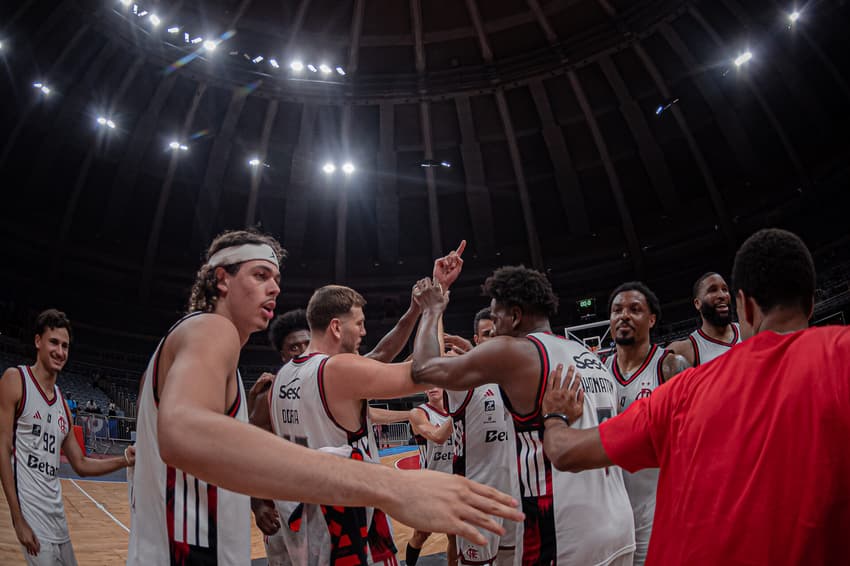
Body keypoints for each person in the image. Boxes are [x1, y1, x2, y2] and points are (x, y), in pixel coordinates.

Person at [126, 230, 521, 565]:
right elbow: (427, 370)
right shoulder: (214, 330)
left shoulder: (278, 378)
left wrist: (257, 501)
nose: (275, 287)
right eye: (260, 275)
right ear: (222, 279)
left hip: (289, 531)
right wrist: (390, 484)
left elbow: (248, 440)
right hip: (320, 529)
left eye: (276, 278)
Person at [540, 228, 849, 565]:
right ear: (812, 302)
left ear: (743, 306)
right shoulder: (839, 356)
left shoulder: (680, 383)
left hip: (654, 516)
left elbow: (565, 452)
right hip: (623, 506)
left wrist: (554, 417)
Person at [412, 266, 635, 566]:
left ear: (515, 316)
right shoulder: (587, 354)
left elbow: (423, 370)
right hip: (619, 524)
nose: (495, 330)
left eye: (497, 317)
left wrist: (432, 309)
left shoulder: (516, 352)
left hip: (564, 534)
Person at [265, 272, 463, 565]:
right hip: (347, 525)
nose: (363, 331)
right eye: (358, 323)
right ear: (335, 327)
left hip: (304, 527)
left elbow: (380, 354)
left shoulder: (284, 377)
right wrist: (433, 310)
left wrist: (413, 311)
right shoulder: (337, 370)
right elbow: (430, 372)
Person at [250, 307, 411, 565]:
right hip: (306, 509)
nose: (302, 350)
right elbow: (252, 451)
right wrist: (258, 504)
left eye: (306, 343)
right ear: (282, 354)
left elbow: (379, 357)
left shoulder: (332, 375)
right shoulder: (271, 390)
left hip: (343, 500)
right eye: (294, 347)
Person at [0, 309, 135, 565]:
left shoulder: (62, 403)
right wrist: (17, 520)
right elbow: (3, 449)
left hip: (58, 518)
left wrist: (125, 460)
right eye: (54, 342)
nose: (60, 351)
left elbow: (81, 465)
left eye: (65, 346)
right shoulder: (16, 381)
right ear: (38, 341)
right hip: (32, 515)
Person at [603, 282, 689, 565]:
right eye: (617, 310)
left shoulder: (671, 366)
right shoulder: (597, 371)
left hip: (658, 509)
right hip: (611, 511)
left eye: (634, 309)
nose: (623, 316)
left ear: (652, 319)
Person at [405, 387, 454, 566]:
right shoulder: (418, 413)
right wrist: (460, 412)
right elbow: (437, 436)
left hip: (454, 482)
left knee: (454, 535)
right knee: (421, 534)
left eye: (436, 383)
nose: (432, 387)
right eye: (428, 384)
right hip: (430, 484)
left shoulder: (456, 409)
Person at [667, 272, 742, 366]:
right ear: (697, 303)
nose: (722, 295)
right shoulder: (688, 349)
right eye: (713, 290)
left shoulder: (747, 331)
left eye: (725, 289)